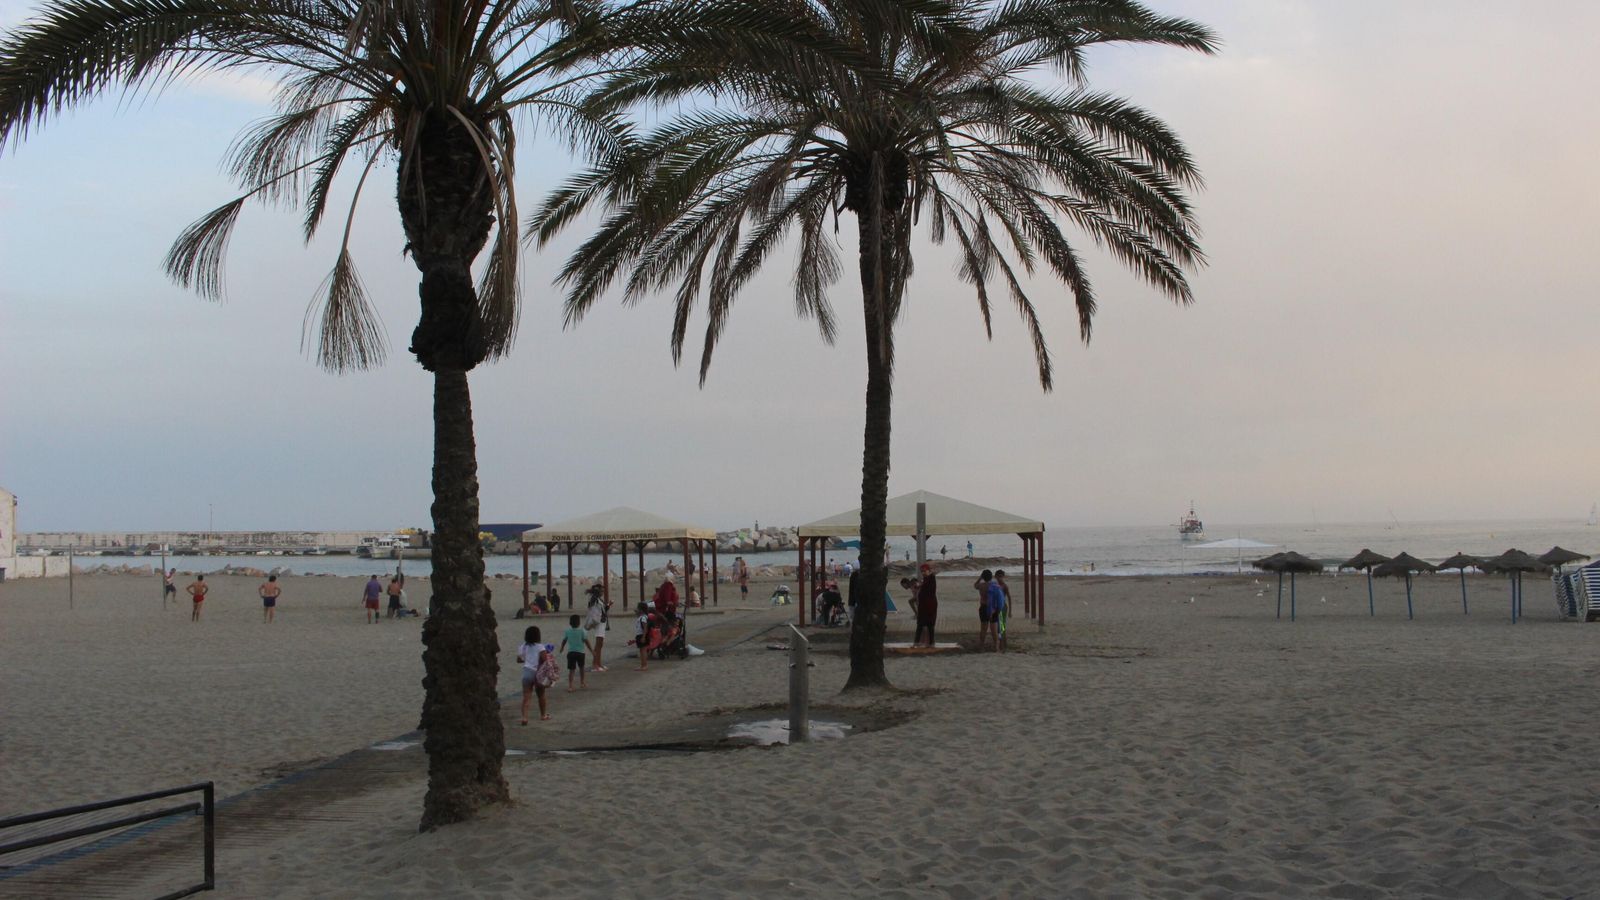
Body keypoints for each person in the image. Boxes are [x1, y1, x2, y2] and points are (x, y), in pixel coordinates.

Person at [517, 626, 554, 724]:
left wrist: (527, 658)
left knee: (526, 696)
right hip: (538, 673)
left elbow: (519, 659)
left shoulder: (522, 647)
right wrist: (548, 652)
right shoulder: (540, 646)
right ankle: (543, 715)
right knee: (541, 695)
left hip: (526, 672)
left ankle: (524, 717)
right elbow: (544, 659)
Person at [559, 614, 593, 691]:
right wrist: (591, 651)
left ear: (570, 623)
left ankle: (570, 686)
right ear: (579, 623)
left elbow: (564, 641)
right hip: (580, 653)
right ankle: (582, 682)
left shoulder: (567, 631)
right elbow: (586, 641)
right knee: (581, 668)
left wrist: (562, 648)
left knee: (571, 670)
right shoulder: (582, 631)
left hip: (571, 653)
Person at [584, 585, 610, 672]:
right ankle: (595, 664)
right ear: (597, 591)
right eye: (601, 591)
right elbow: (592, 607)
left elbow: (603, 610)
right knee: (598, 644)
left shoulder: (599, 599)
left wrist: (608, 605)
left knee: (600, 644)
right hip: (598, 623)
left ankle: (598, 664)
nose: (603, 593)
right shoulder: (594, 598)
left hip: (602, 623)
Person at [914, 564, 938, 647]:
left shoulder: (931, 578)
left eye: (924, 571)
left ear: (928, 570)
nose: (923, 573)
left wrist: (919, 585)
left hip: (930, 605)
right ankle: (917, 642)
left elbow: (932, 576)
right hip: (923, 605)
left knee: (930, 624)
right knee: (920, 624)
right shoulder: (926, 579)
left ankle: (931, 642)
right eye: (922, 571)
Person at [987, 570, 1009, 652]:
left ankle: (1003, 643)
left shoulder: (1004, 586)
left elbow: (1009, 597)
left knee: (1002, 626)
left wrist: (1010, 611)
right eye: (998, 577)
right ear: (995, 576)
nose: (1000, 578)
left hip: (1003, 607)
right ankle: (999, 643)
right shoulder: (994, 585)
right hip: (996, 607)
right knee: (998, 626)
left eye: (1001, 577)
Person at [975, 570, 995, 651]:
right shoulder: (993, 585)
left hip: (983, 607)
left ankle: (981, 646)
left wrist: (980, 578)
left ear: (983, 577)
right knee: (993, 628)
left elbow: (975, 585)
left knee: (983, 628)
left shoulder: (981, 585)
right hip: (992, 608)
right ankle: (996, 645)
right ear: (991, 577)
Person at [634, 601, 652, 670]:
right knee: (641, 650)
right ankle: (642, 665)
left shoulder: (643, 617)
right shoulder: (641, 616)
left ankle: (644, 665)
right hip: (640, 635)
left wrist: (643, 637)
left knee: (643, 650)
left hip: (642, 635)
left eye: (638, 608)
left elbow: (645, 628)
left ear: (641, 609)